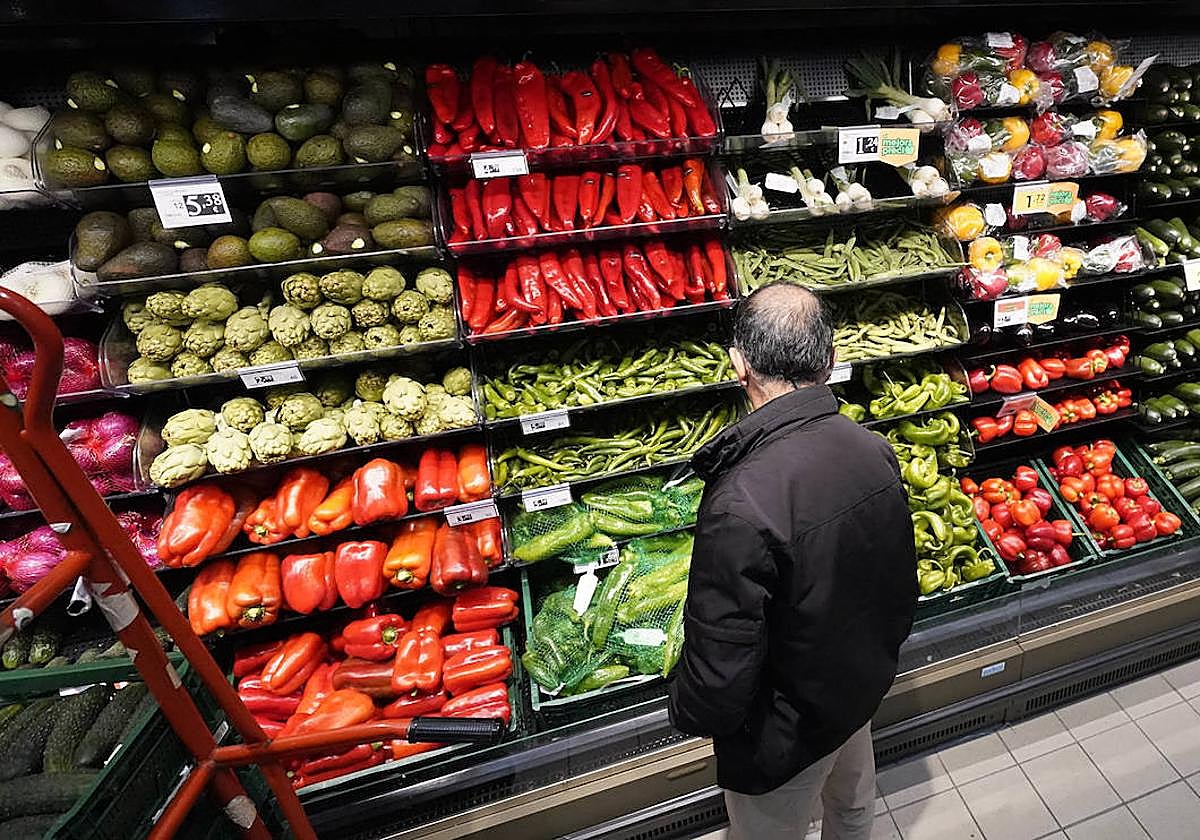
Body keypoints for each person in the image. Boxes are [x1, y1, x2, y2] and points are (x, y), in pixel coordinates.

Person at [667, 282, 917, 840]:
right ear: (829, 361)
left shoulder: (741, 500)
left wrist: (688, 713)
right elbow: (900, 584)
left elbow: (722, 655)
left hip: (783, 722)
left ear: (739, 365)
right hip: (852, 688)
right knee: (851, 808)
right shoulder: (872, 448)